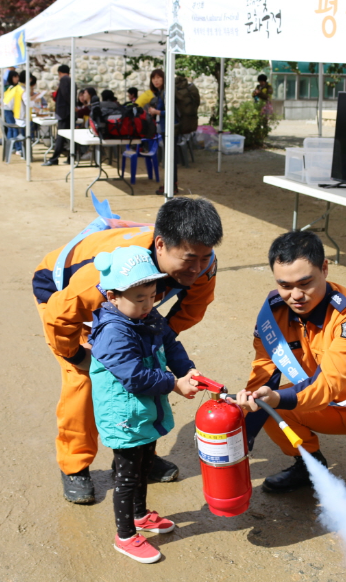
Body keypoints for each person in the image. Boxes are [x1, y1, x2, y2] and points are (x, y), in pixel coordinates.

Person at [32, 197, 223, 505]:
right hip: (63, 294)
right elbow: (59, 317)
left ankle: (137, 456)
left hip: (133, 302)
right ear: (160, 245)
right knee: (85, 383)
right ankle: (74, 465)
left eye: (205, 257)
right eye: (190, 259)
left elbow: (194, 305)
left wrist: (159, 341)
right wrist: (78, 358)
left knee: (148, 372)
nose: (198, 268)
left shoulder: (202, 263)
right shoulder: (102, 276)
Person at [232, 231, 346, 537]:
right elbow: (265, 367)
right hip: (318, 404)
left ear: (325, 269)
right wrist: (253, 401)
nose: (295, 295)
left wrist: (279, 398)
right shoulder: (274, 312)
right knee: (264, 406)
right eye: (285, 285)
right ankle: (308, 466)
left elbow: (330, 383)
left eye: (305, 282)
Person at [89, 245, 201, 564]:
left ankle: (140, 516)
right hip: (124, 416)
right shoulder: (112, 332)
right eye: (140, 299)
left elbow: (169, 342)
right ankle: (125, 536)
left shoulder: (148, 315)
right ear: (112, 296)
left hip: (144, 412)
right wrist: (174, 384)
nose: (148, 305)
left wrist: (186, 369)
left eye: (153, 296)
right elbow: (136, 377)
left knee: (144, 467)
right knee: (127, 477)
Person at [2, 71, 26, 157]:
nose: (17, 79)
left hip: (8, 109)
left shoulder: (9, 87)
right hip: (10, 109)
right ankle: (18, 148)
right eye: (15, 77)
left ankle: (12, 147)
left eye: (17, 77)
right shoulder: (12, 88)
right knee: (14, 128)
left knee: (11, 129)